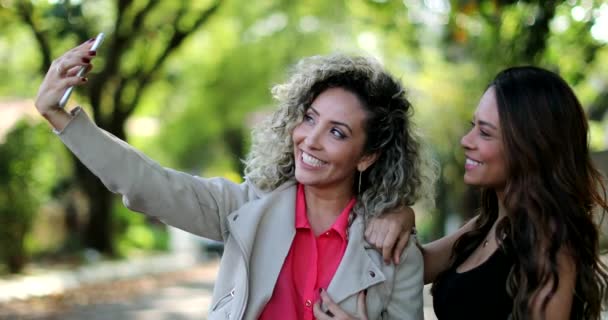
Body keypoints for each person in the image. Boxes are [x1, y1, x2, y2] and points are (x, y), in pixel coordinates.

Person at [34, 39, 437, 319]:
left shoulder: (392, 251)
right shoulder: (246, 210)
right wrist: (60, 117)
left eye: (337, 132)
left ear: (367, 157)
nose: (309, 140)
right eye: (310, 119)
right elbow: (149, 184)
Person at [327, 66, 608, 320]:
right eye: (473, 126)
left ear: (531, 148)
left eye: (485, 133)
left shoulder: (552, 246)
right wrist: (403, 216)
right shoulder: (490, 225)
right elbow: (412, 267)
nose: (466, 141)